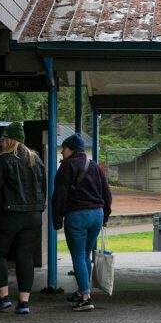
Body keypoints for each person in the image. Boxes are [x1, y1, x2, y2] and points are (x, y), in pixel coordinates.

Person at [0, 122, 46, 315]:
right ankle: (24, 302)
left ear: (10, 140)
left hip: (9, 215)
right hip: (33, 216)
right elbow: (42, 188)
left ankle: (3, 299)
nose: (0, 142)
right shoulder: (36, 160)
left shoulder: (1, 161)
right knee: (25, 257)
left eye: (2, 138)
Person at [52, 133, 112, 312]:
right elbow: (106, 193)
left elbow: (59, 196)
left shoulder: (67, 166)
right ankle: (82, 291)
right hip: (97, 214)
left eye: (64, 148)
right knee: (85, 254)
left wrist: (56, 220)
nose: (62, 152)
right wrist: (106, 216)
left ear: (71, 149)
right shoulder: (94, 166)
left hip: (77, 215)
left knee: (78, 255)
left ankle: (85, 297)